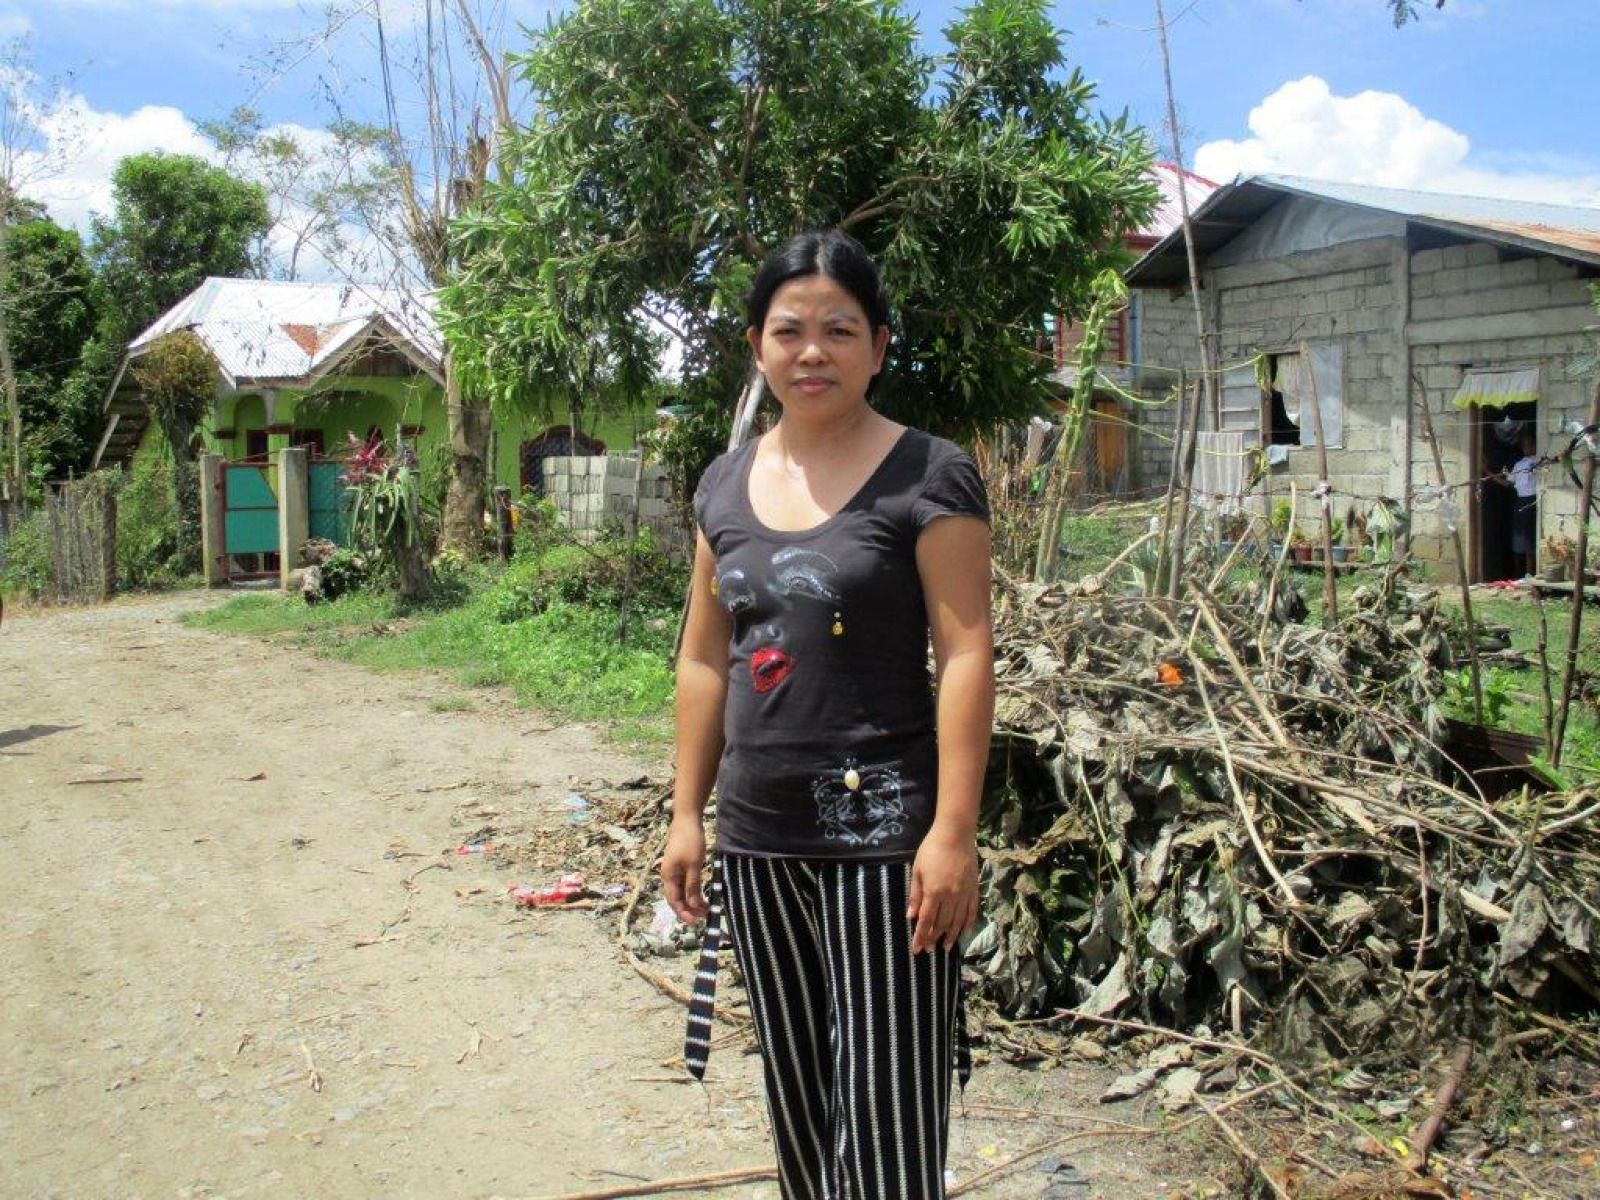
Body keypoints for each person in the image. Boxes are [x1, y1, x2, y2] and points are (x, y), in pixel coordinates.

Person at [661, 229, 994, 1200]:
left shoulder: (929, 473)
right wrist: (687, 813)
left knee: (887, 1133)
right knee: (801, 1119)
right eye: (789, 330)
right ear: (756, 347)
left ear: (880, 345)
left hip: (887, 846)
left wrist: (953, 835)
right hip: (760, 839)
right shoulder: (721, 486)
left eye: (839, 330)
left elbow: (966, 651)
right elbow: (701, 660)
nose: (813, 352)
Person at [1491, 430, 1540, 579]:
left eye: (1530, 445)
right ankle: (1518, 574)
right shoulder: (1519, 464)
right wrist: (1489, 473)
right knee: (1519, 538)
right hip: (1520, 502)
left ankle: (1530, 573)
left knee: (1530, 538)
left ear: (1535, 445)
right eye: (1524, 445)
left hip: (1532, 501)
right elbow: (1508, 482)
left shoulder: (1539, 461)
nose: (1527, 448)